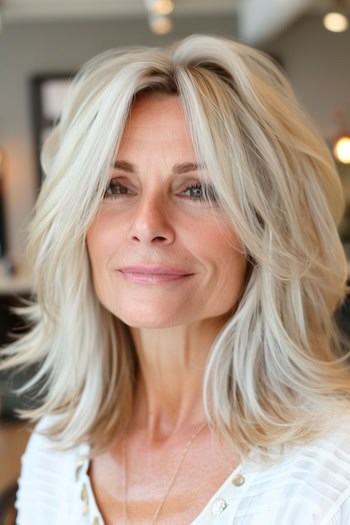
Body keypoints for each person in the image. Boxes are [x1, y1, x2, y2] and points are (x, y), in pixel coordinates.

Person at [1, 34, 350, 525]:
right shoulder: (57, 446)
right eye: (115, 186)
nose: (147, 224)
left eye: (198, 189)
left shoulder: (335, 471)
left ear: (266, 229)